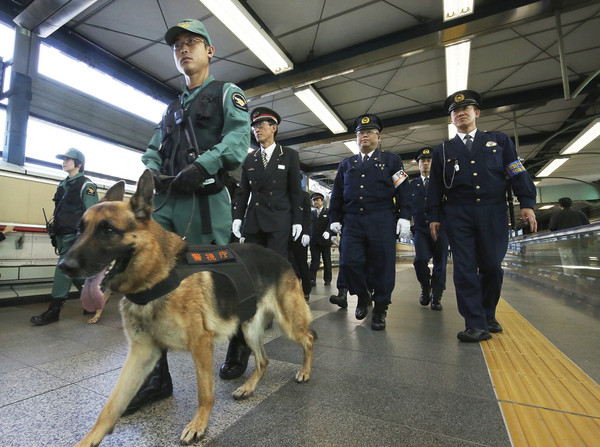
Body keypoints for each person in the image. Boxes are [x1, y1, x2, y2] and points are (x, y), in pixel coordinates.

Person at [129, 19, 250, 414]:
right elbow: (152, 148)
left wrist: (206, 163)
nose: (184, 49)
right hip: (169, 205)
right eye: (178, 45)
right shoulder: (170, 107)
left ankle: (238, 340)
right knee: (157, 285)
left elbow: (238, 139)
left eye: (193, 43)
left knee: (218, 277)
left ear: (210, 51)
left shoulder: (226, 93)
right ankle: (157, 379)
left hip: (206, 201)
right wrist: (151, 171)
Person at [427, 90, 538, 343]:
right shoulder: (442, 151)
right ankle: (474, 323)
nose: (460, 113)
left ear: (477, 113)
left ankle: (488, 314)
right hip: (457, 214)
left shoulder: (499, 141)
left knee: (491, 267)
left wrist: (527, 202)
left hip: (493, 212)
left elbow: (516, 171)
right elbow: (434, 187)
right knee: (464, 269)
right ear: (451, 120)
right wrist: (434, 215)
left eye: (466, 109)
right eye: (455, 112)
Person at [229, 106, 303, 377]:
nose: (257, 128)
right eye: (254, 125)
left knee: (273, 271)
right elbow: (242, 192)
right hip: (255, 222)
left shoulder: (290, 156)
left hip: (280, 222)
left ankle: (271, 311)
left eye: (262, 124)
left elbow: (296, 191)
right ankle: (255, 308)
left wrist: (298, 220)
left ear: (274, 128)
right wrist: (237, 217)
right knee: (250, 269)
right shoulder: (250, 160)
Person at [329, 114, 412, 331]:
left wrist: (404, 216)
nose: (364, 135)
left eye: (369, 132)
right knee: (348, 263)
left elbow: (403, 190)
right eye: (359, 133)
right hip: (352, 222)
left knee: (383, 266)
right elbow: (336, 194)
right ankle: (363, 296)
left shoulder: (392, 161)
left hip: (382, 219)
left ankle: (381, 308)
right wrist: (334, 218)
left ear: (379, 137)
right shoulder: (346, 165)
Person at [30, 148, 98, 325]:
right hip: (61, 234)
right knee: (74, 273)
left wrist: (83, 238)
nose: (64, 162)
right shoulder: (62, 184)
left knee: (63, 268)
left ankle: (54, 310)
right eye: (64, 159)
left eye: (69, 159)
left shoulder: (87, 185)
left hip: (75, 236)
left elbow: (92, 214)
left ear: (79, 164)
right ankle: (92, 301)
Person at [410, 147, 448, 311]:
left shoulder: (443, 183)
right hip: (420, 229)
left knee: (440, 263)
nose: (425, 163)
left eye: (428, 160)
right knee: (420, 260)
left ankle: (437, 296)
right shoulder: (412, 185)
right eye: (422, 161)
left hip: (441, 229)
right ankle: (426, 287)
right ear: (418, 164)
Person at [289, 191, 313, 301]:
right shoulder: (282, 192)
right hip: (285, 234)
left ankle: (306, 290)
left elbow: (307, 214)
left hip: (300, 235)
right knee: (289, 264)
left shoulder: (303, 195)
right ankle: (292, 289)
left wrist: (306, 232)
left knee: (302, 263)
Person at [309, 192, 332, 286]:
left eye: (317, 200)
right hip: (314, 241)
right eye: (314, 200)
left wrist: (328, 231)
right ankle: (312, 279)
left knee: (327, 261)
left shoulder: (328, 212)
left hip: (325, 241)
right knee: (314, 261)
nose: (316, 202)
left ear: (322, 201)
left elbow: (331, 223)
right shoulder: (311, 213)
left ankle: (327, 279)